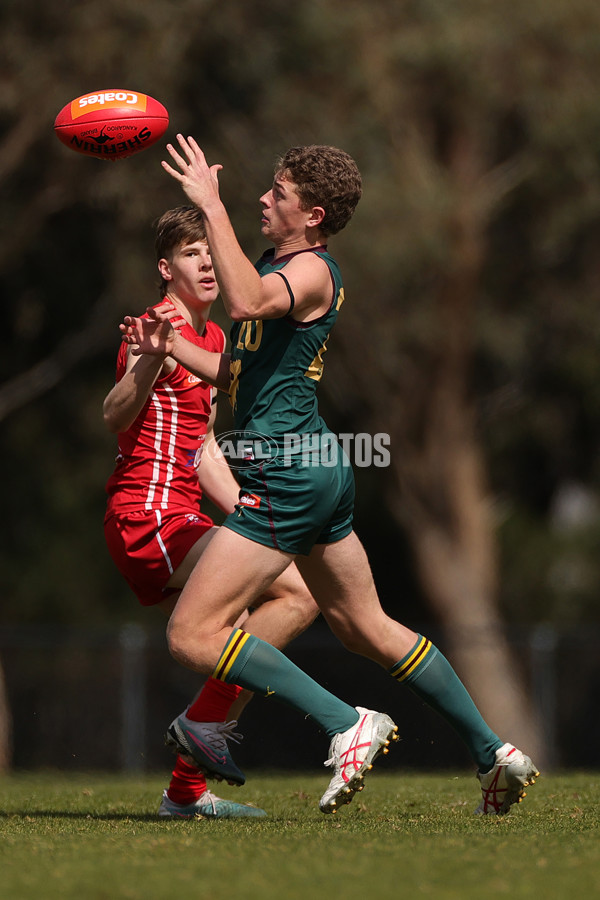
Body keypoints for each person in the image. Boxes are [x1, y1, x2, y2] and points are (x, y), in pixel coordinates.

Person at [121, 136, 539, 816]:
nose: (264, 197)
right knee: (363, 625)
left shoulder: (313, 271)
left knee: (192, 635)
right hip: (315, 468)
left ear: (312, 214)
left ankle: (347, 722)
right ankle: (495, 750)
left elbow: (251, 302)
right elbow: (238, 372)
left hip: (287, 475)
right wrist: (172, 348)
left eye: (278, 193)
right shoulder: (271, 263)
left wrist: (210, 204)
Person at [103, 205, 319, 819]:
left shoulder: (219, 339)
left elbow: (201, 448)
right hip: (145, 516)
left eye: (209, 252)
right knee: (293, 596)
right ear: (165, 269)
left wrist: (252, 514)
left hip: (182, 514)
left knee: (291, 598)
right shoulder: (155, 325)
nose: (206, 263)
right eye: (191, 254)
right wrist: (148, 358)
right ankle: (199, 729)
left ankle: (186, 786)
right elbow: (114, 414)